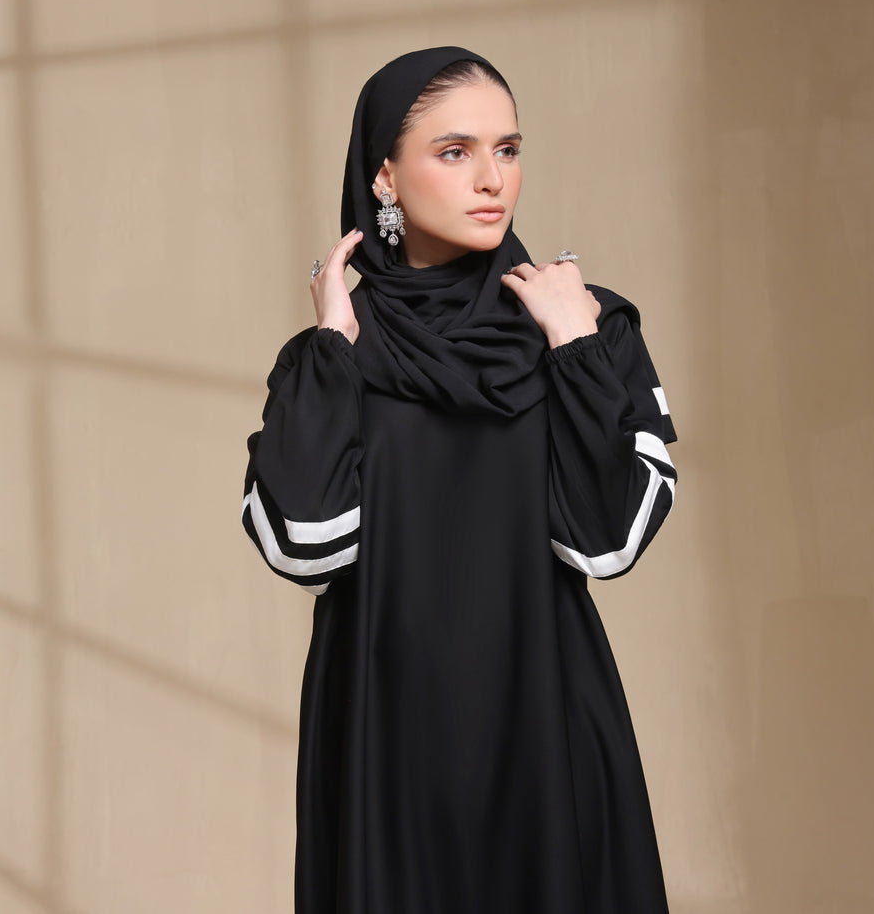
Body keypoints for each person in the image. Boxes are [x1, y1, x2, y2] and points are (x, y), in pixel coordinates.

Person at [239, 46, 678, 913]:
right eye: (455, 151)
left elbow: (606, 542)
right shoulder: (329, 358)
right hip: (381, 737)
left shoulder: (588, 329)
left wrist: (575, 349)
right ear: (386, 178)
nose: (491, 179)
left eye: (507, 150)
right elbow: (304, 547)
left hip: (547, 721)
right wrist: (331, 350)